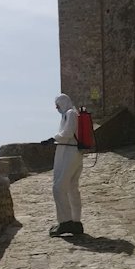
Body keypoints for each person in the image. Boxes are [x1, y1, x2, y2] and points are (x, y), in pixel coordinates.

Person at [41, 93, 84, 237]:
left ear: (64, 103)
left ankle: (65, 222)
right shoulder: (71, 113)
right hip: (73, 154)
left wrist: (52, 138)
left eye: (58, 105)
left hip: (70, 155)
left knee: (58, 188)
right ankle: (76, 222)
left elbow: (68, 132)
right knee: (72, 188)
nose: (56, 108)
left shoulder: (70, 114)